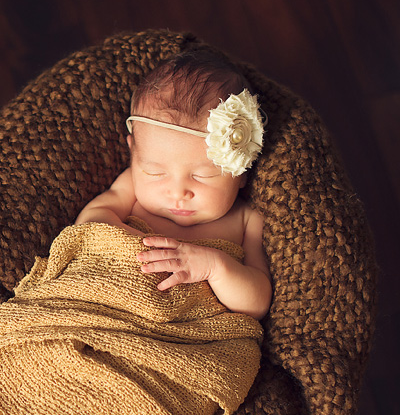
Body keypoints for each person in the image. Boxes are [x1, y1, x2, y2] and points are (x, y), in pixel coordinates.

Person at [74, 50, 272, 319]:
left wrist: (216, 268)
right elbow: (87, 228)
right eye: (155, 173)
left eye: (203, 176)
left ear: (242, 172)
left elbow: (256, 305)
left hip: (187, 338)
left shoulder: (246, 220)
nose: (178, 192)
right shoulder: (130, 187)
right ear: (134, 154)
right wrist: (140, 247)